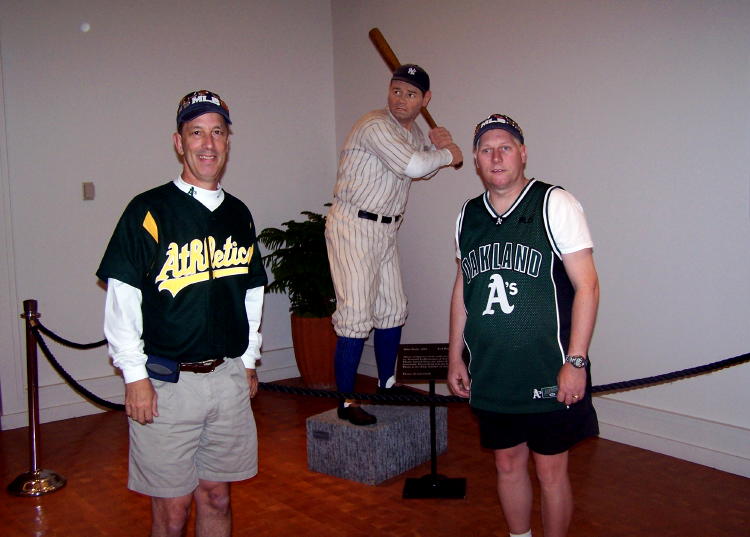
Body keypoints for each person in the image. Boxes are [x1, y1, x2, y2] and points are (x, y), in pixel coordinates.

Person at [96, 90, 267, 537]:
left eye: (217, 132)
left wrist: (248, 361)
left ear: (228, 141)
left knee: (217, 496)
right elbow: (122, 298)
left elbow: (251, 293)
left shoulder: (238, 214)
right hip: (166, 385)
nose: (207, 144)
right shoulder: (148, 210)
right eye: (196, 132)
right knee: (171, 512)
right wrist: (134, 377)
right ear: (178, 142)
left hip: (228, 378)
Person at [447, 114, 600, 537]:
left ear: (523, 153)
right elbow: (463, 287)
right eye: (486, 149)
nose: (496, 157)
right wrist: (454, 355)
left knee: (551, 471)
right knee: (506, 462)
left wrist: (576, 361)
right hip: (492, 371)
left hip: (549, 370)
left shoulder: (554, 203)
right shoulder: (467, 215)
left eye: (506, 147)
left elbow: (587, 286)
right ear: (476, 160)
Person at [325, 64, 463, 425]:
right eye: (396, 90)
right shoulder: (374, 124)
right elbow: (417, 166)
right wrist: (449, 154)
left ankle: (386, 385)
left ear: (425, 99)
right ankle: (347, 401)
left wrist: (438, 146)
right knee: (356, 316)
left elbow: (422, 168)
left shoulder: (414, 130)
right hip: (353, 224)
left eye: (411, 93)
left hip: (386, 229)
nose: (401, 99)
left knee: (392, 308)